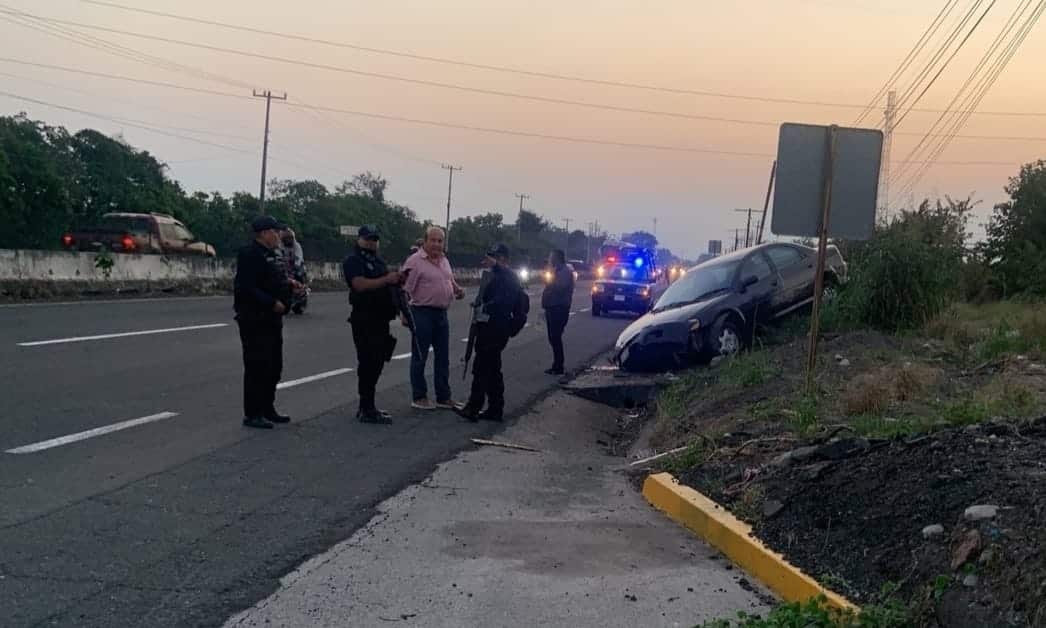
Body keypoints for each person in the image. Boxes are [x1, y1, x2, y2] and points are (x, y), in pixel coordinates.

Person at [233, 216, 293, 429]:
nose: (278, 235)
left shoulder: (271, 254)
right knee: (257, 366)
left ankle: (268, 408)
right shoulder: (249, 254)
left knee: (274, 366)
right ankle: (253, 413)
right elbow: (246, 287)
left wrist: (290, 286)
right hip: (255, 319)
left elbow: (273, 280)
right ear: (264, 233)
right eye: (274, 232)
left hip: (272, 320)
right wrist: (271, 303)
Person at [456, 243, 522, 423]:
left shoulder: (508, 277)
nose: (490, 261)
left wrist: (509, 328)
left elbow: (511, 304)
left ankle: (473, 407)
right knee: (492, 369)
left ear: (503, 259)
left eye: (494, 257)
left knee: (481, 368)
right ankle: (495, 408)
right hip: (487, 327)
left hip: (496, 328)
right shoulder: (495, 276)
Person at [401, 226, 465, 410]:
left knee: (443, 357)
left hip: (441, 314)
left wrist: (457, 290)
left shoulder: (444, 260)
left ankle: (443, 397)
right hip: (422, 313)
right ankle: (419, 397)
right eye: (433, 240)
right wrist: (404, 314)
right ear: (425, 241)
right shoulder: (415, 262)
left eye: (440, 241)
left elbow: (449, 280)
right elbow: (404, 290)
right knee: (420, 356)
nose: (437, 244)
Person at [343, 225, 402, 424]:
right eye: (368, 239)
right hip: (364, 318)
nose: (372, 242)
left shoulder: (378, 261)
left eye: (375, 239)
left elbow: (386, 285)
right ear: (359, 239)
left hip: (381, 318)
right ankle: (366, 407)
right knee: (368, 363)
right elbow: (359, 285)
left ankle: (368, 406)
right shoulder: (353, 261)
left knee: (377, 362)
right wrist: (386, 279)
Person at [542, 248, 575, 375]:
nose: (549, 259)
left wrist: (549, 280)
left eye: (551, 256)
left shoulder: (565, 271)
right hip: (552, 307)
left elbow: (561, 287)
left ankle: (558, 366)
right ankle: (556, 364)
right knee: (553, 337)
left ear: (557, 258)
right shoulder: (556, 270)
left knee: (555, 337)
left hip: (559, 309)